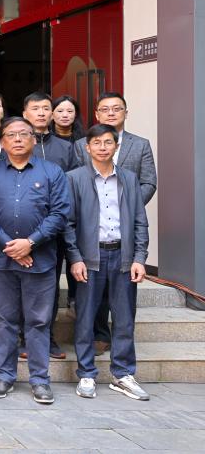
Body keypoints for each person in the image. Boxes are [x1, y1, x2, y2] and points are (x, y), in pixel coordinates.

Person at [0, 117, 71, 405]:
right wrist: (10, 244)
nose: (17, 139)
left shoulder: (52, 172)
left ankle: (40, 380)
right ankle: (4, 376)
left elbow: (60, 213)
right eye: (11, 135)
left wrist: (30, 242)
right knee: (5, 320)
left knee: (39, 322)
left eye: (23, 134)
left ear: (33, 138)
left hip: (40, 260)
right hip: (1, 259)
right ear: (1, 141)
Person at [65, 124, 150, 401]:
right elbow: (67, 223)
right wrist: (75, 258)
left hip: (122, 256)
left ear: (116, 146)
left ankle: (122, 374)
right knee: (86, 317)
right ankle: (86, 373)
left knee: (124, 318)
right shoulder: (74, 178)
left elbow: (140, 221)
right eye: (97, 143)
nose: (103, 147)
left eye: (108, 142)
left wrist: (139, 258)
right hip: (90, 257)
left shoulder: (128, 178)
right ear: (87, 147)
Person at [73, 92, 157, 354]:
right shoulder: (81, 145)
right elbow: (77, 187)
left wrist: (128, 204)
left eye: (117, 108)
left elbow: (149, 181)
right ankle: (99, 336)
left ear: (125, 113)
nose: (111, 113)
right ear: (96, 113)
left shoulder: (140, 144)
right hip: (92, 235)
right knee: (92, 299)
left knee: (123, 303)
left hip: (124, 233)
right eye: (105, 109)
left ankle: (122, 361)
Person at [22, 91, 77, 360]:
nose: (42, 113)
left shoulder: (67, 148)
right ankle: (24, 338)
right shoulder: (16, 143)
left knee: (50, 286)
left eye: (46, 108)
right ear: (25, 114)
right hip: (23, 230)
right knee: (22, 286)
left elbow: (73, 189)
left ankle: (48, 337)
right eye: (36, 108)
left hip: (55, 229)